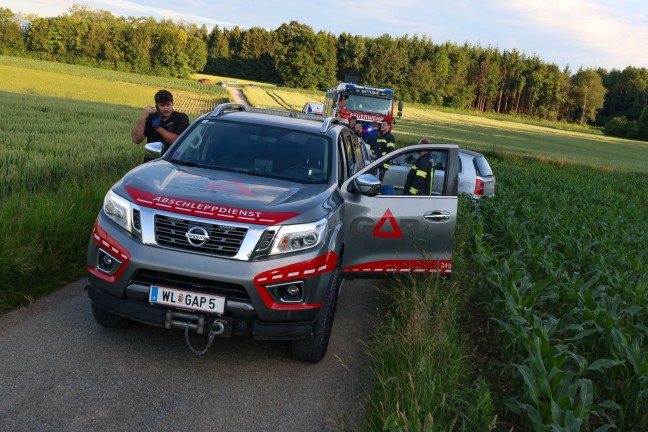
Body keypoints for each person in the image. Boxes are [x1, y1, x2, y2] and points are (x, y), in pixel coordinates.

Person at [131, 89, 190, 159]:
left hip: (172, 162)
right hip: (151, 162)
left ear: (172, 104)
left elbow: (177, 141)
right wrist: (143, 117)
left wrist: (158, 128)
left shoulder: (181, 118)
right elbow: (136, 140)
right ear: (157, 106)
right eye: (162, 105)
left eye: (168, 105)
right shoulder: (151, 117)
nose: (166, 108)